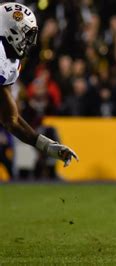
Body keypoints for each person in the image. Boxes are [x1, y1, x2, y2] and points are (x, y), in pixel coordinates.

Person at [0, 3, 77, 167]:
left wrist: (47, 146)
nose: (30, 42)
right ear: (10, 31)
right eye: (25, 34)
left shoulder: (10, 62)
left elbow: (10, 119)